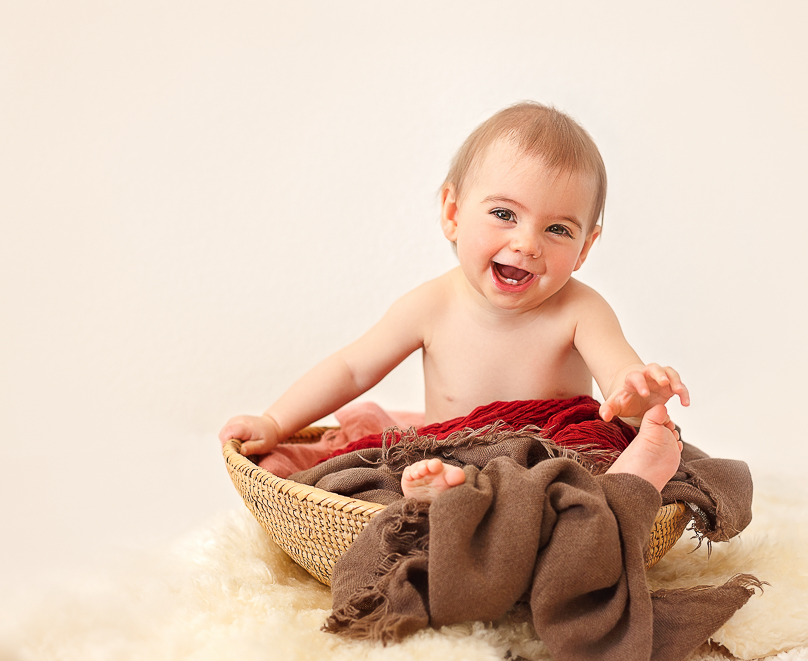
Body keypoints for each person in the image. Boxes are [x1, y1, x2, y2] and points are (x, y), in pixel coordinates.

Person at [219, 101, 690, 502]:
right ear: (453, 214)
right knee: (384, 470)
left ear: (585, 248)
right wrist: (275, 420)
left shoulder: (580, 310)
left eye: (558, 229)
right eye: (504, 214)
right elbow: (351, 369)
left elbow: (619, 385)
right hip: (449, 453)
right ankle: (451, 496)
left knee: (591, 459)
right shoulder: (432, 305)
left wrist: (638, 395)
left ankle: (631, 481)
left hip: (549, 462)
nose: (528, 244)